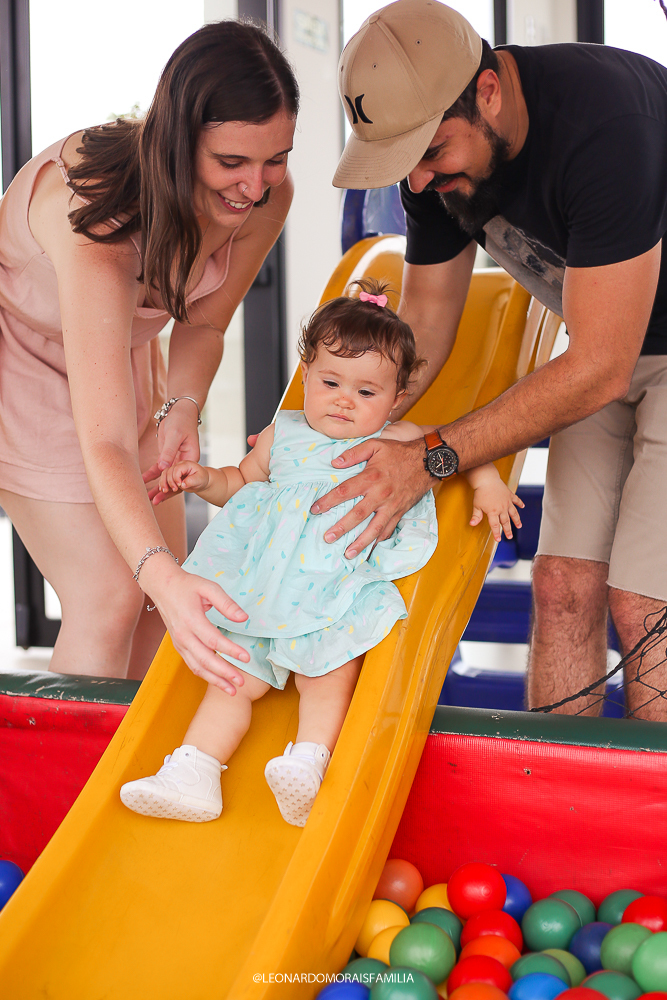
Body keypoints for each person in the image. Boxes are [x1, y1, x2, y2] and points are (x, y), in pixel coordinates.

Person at [320, 0, 667, 721]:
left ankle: (647, 823)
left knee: (644, 604)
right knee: (562, 586)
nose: (415, 181)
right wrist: (336, 428)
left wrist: (431, 457)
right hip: (600, 344)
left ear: (487, 93)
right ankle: (555, 810)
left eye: (432, 153)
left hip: (616, 353)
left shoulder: (603, 125)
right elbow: (426, 326)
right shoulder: (428, 169)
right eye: (403, 162)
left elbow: (601, 366)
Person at [119, 279, 523, 826]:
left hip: (333, 583)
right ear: (305, 375)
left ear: (397, 398)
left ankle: (308, 763)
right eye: (330, 381)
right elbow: (241, 481)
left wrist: (486, 484)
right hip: (261, 583)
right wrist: (203, 479)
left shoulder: (402, 436)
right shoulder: (280, 434)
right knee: (232, 677)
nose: (343, 400)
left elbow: (458, 446)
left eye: (366, 393)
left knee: (329, 672)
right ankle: (194, 771)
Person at [0, 20, 298, 683]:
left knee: (165, 607)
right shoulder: (98, 224)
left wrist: (182, 406)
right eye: (230, 163)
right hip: (19, 358)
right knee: (112, 595)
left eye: (274, 157)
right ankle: (69, 788)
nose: (255, 186)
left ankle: (130, 781)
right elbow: (103, 441)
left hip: (117, 355)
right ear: (175, 145)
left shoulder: (267, 195)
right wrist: (154, 570)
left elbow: (205, 323)